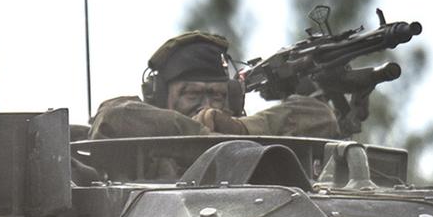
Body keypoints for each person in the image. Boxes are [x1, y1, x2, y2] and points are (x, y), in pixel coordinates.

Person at [89, 32, 343, 139]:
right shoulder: (140, 127)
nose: (207, 105)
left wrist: (239, 129)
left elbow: (320, 116)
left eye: (217, 96)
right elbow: (112, 117)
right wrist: (199, 133)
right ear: (160, 95)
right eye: (192, 94)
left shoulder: (244, 136)